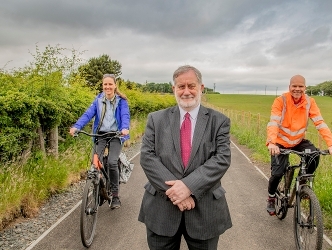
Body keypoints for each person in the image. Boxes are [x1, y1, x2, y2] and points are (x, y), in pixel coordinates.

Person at [138, 65, 232, 250]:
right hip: (161, 210)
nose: (186, 91)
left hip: (204, 212)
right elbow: (147, 157)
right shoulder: (156, 119)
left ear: (201, 88)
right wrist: (178, 193)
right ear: (174, 89)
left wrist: (189, 186)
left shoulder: (219, 121)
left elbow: (222, 159)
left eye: (191, 86)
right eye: (181, 86)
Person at [266, 74, 332, 215]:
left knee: (314, 155)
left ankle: (303, 184)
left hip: (299, 141)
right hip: (280, 142)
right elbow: (273, 122)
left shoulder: (310, 102)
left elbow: (320, 123)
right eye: (294, 86)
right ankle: (271, 197)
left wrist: (331, 144)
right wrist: (272, 143)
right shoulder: (281, 101)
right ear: (289, 87)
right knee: (277, 173)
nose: (297, 89)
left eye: (300, 86)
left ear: (305, 88)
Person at [69, 73, 130, 209]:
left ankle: (115, 196)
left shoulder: (122, 101)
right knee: (96, 163)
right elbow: (87, 114)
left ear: (115, 86)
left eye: (110, 84)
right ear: (102, 86)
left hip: (116, 134)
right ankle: (98, 187)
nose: (107, 87)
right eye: (105, 84)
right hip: (101, 134)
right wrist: (76, 127)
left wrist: (125, 128)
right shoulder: (98, 100)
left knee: (113, 162)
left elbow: (125, 116)